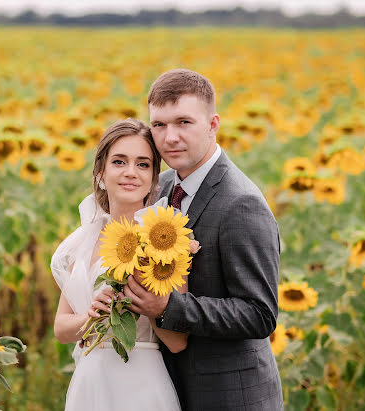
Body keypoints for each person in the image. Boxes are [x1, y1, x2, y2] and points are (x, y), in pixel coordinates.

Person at [121, 69, 283, 410]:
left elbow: (260, 314)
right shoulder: (161, 186)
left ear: (213, 125)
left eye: (184, 122)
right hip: (166, 387)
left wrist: (168, 308)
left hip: (230, 395)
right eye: (159, 125)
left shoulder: (241, 204)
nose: (169, 138)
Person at [51, 118, 183, 411]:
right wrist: (91, 316)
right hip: (91, 383)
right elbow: (61, 328)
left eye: (143, 164)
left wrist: (149, 304)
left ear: (154, 178)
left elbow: (177, 342)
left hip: (143, 381)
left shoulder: (164, 241)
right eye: (119, 162)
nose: (130, 173)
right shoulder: (84, 241)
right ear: (101, 171)